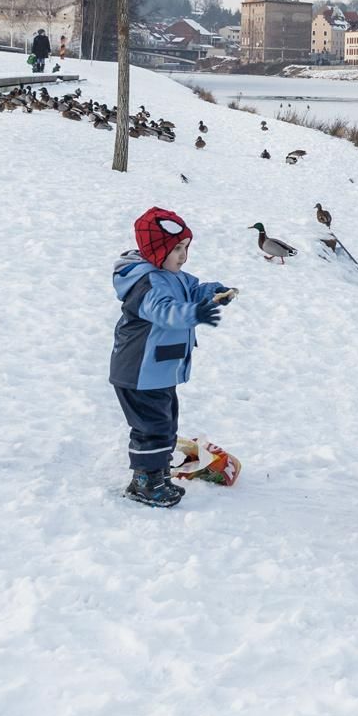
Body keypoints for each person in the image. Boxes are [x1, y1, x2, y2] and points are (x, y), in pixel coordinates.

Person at [109, 207, 235, 508]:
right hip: (139, 371)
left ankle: (158, 475)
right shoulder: (147, 283)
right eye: (177, 249)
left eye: (185, 248)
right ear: (156, 249)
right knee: (152, 428)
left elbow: (192, 290)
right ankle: (145, 482)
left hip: (158, 370)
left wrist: (212, 293)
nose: (183, 256)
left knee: (165, 424)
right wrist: (194, 313)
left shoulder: (172, 276)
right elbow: (164, 311)